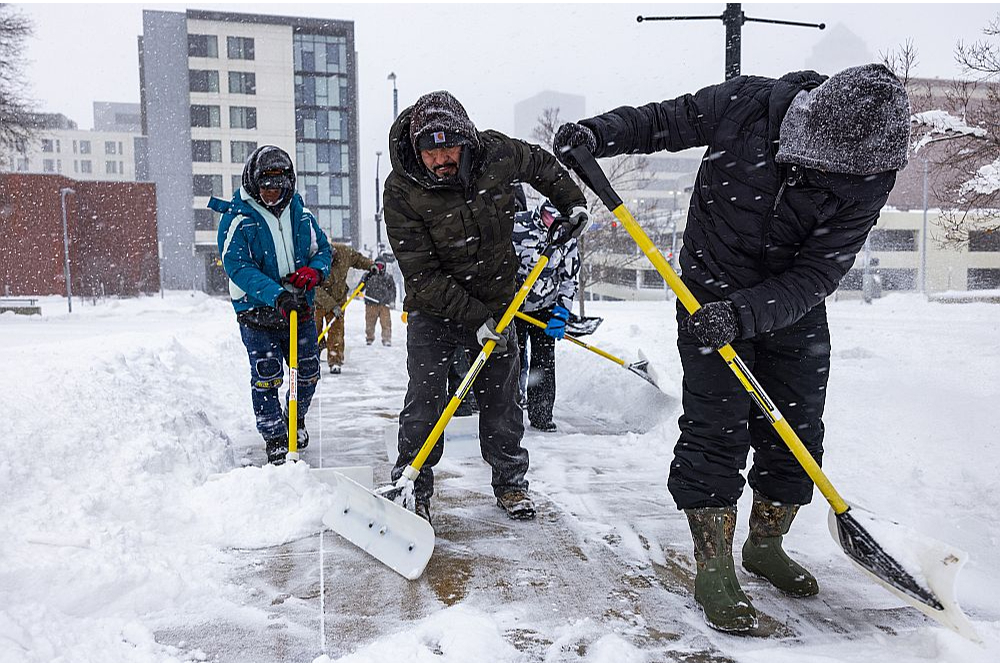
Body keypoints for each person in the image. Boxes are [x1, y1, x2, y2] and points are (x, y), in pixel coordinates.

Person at [553, 64, 910, 632]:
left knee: (796, 433)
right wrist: (597, 133)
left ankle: (765, 546)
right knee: (715, 429)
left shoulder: (871, 173)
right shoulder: (746, 104)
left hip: (790, 306)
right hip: (706, 294)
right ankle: (714, 564)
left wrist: (745, 314)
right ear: (807, 120)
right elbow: (661, 122)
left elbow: (820, 270)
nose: (814, 177)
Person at [383, 90, 589, 524]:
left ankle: (511, 483)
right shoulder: (401, 189)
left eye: (449, 147)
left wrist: (571, 202)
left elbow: (540, 163)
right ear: (416, 149)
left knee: (502, 399)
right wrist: (475, 318)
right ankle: (412, 484)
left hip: (498, 298)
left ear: (467, 140)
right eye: (430, 150)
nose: (441, 159)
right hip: (434, 310)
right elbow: (422, 273)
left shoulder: (495, 152)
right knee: (426, 399)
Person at [213, 145, 332, 465]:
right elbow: (237, 266)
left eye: (279, 187)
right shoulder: (239, 218)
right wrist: (276, 295)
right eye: (265, 187)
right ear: (254, 183)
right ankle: (275, 436)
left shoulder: (301, 215)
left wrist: (315, 271)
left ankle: (295, 419)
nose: (272, 193)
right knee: (267, 374)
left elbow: (323, 250)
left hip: (299, 309)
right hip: (257, 313)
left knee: (307, 371)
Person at [513, 199, 581, 432]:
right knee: (513, 361)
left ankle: (541, 415)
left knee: (543, 363)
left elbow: (569, 278)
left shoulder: (567, 236)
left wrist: (561, 312)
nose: (553, 225)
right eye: (549, 219)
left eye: (558, 221)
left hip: (546, 307)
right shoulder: (516, 226)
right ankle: (509, 416)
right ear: (542, 212)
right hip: (513, 308)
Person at [314, 243, 373, 374]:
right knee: (313, 330)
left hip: (339, 298)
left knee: (337, 331)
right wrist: (331, 305)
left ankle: (335, 360)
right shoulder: (313, 258)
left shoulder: (344, 252)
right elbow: (314, 288)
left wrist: (372, 265)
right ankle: (316, 351)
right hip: (317, 302)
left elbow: (358, 259)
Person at [363, 254, 396, 346]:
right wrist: (358, 290)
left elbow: (392, 290)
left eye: (381, 266)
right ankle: (369, 338)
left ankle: (386, 339)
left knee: (386, 323)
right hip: (370, 303)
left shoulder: (388, 277)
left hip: (384, 304)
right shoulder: (368, 275)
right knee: (370, 322)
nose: (379, 268)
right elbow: (361, 286)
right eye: (377, 265)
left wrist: (392, 301)